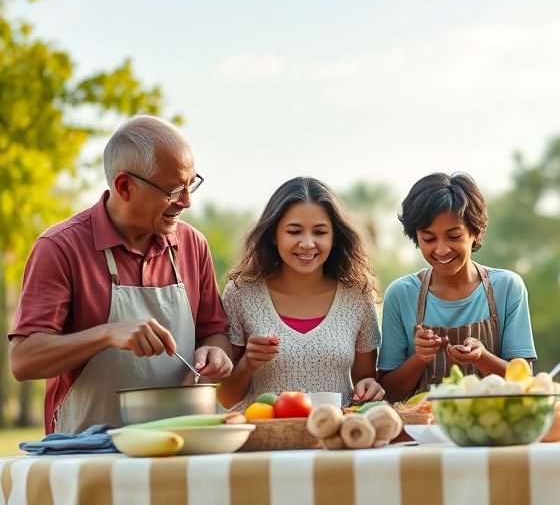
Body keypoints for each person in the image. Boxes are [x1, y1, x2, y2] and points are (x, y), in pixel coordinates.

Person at [8, 115, 234, 434]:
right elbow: (23, 360)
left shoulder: (193, 245)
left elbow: (215, 331)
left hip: (180, 446)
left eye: (190, 184)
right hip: (86, 457)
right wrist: (107, 334)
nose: (187, 202)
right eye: (173, 191)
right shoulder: (59, 247)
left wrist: (217, 353)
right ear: (124, 186)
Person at [217, 177, 384, 412]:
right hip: (263, 439)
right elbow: (225, 398)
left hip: (333, 438)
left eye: (320, 232)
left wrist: (370, 387)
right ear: (274, 235)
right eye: (294, 231)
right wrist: (248, 363)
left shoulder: (358, 295)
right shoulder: (241, 293)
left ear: (334, 237)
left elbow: (365, 380)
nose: (307, 243)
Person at [378, 172, 537, 401]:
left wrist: (481, 356)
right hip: (422, 432)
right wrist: (420, 358)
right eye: (429, 239)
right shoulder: (401, 294)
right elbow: (388, 392)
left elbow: (524, 383)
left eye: (454, 236)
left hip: (494, 428)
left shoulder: (507, 287)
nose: (441, 250)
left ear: (476, 232)